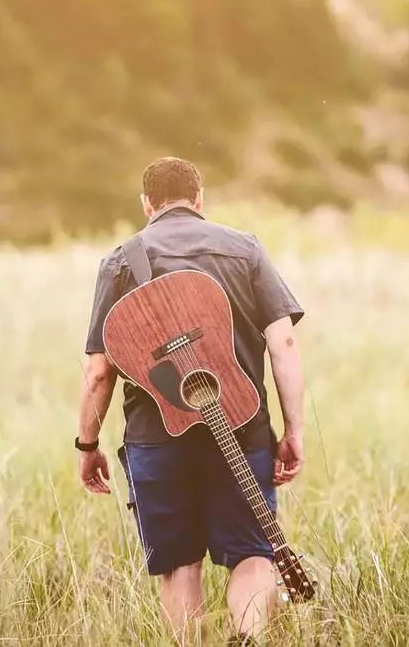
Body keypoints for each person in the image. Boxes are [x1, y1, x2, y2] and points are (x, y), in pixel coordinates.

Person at [77, 156, 305, 645]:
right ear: (200, 200)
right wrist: (294, 431)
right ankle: (247, 637)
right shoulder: (245, 250)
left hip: (156, 439)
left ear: (146, 205)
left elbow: (99, 372)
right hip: (242, 427)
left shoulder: (120, 261)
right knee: (252, 554)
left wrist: (87, 445)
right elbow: (284, 344)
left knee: (180, 563)